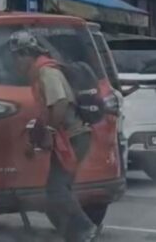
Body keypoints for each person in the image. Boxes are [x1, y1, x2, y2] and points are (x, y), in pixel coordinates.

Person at [9, 31, 98, 242]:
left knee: (57, 189)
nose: (15, 63)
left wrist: (48, 132)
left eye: (16, 57)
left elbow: (60, 103)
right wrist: (36, 138)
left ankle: (86, 229)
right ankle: (73, 235)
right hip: (70, 137)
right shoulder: (40, 73)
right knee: (55, 191)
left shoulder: (46, 72)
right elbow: (47, 111)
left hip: (75, 137)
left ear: (26, 54)